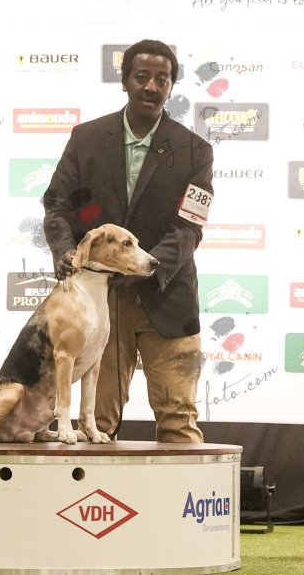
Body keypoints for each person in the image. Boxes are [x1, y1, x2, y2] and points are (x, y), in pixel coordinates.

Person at [42, 39, 214, 443]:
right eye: (141, 77)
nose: (151, 86)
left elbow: (189, 228)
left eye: (162, 79)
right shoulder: (86, 138)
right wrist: (65, 250)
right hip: (97, 302)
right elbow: (58, 204)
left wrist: (143, 267)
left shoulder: (196, 150)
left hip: (168, 298)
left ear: (171, 86)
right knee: (95, 424)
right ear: (124, 81)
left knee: (179, 420)